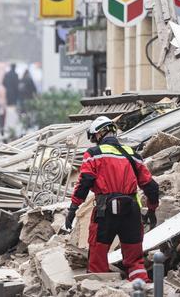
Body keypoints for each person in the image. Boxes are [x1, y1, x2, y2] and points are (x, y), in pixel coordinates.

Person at [65, 116, 160, 282]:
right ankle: (142, 288)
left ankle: (99, 289)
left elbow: (85, 182)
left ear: (99, 134)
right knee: (135, 260)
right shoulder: (132, 154)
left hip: (105, 211)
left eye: (94, 138)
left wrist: (73, 208)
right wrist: (152, 209)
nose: (94, 141)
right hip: (131, 212)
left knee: (98, 257)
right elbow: (151, 186)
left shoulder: (93, 154)